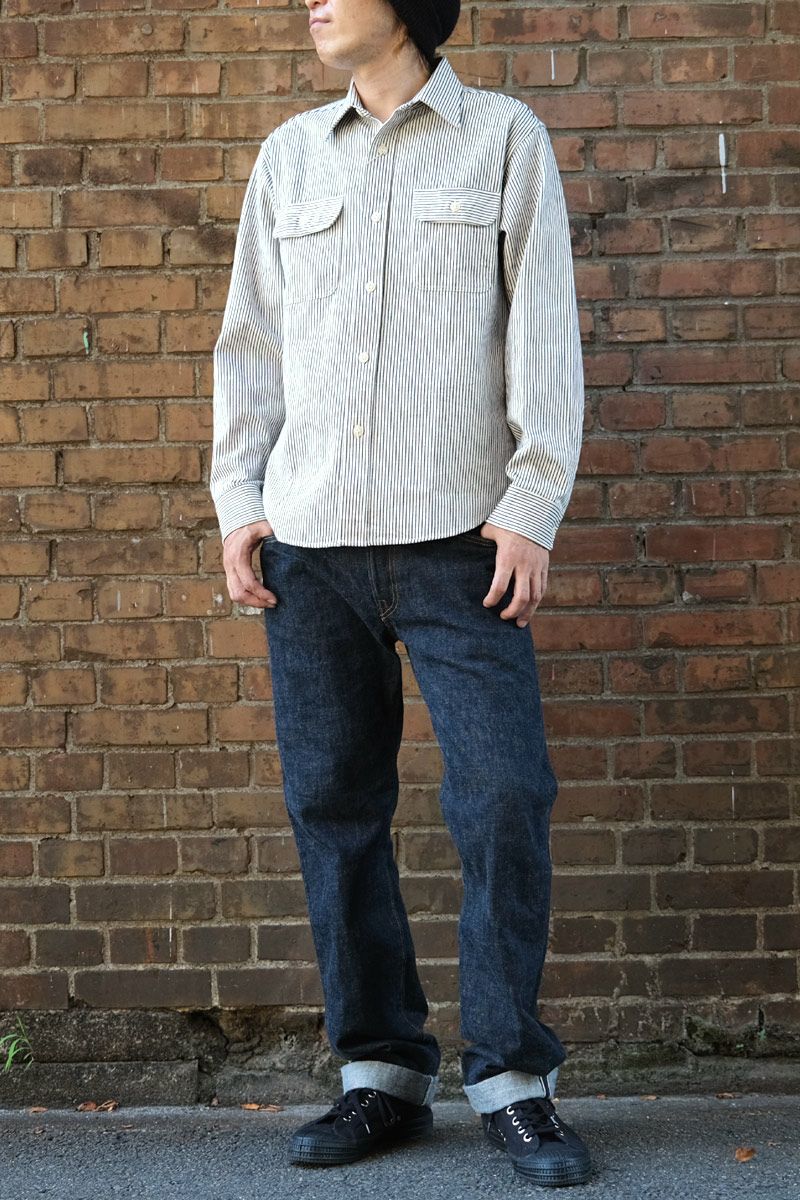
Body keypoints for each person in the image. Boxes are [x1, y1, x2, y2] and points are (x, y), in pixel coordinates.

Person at [209, 0, 591, 1187]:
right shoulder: (289, 155)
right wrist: (239, 500)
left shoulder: (503, 139)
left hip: (459, 539)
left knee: (503, 795)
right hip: (310, 543)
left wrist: (531, 502)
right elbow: (250, 342)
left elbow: (542, 326)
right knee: (334, 806)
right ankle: (378, 1073)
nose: (313, 1)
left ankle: (511, 1080)